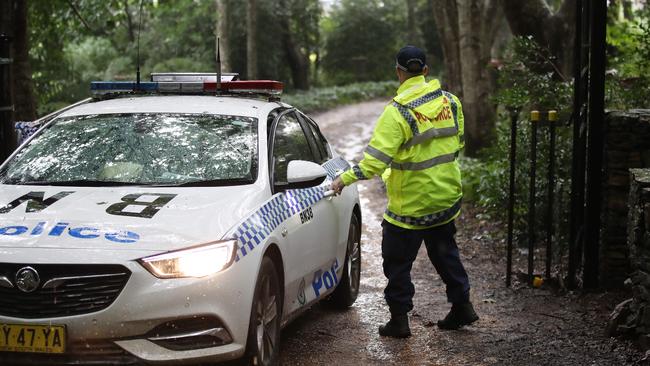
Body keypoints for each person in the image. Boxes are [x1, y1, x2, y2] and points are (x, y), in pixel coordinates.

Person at [330, 45, 478, 338]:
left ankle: (399, 320)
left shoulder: (396, 113)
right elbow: (458, 143)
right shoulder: (451, 102)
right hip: (445, 197)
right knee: (446, 253)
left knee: (397, 262)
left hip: (409, 206)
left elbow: (374, 162)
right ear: (425, 71)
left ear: (398, 72)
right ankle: (462, 306)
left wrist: (344, 179)